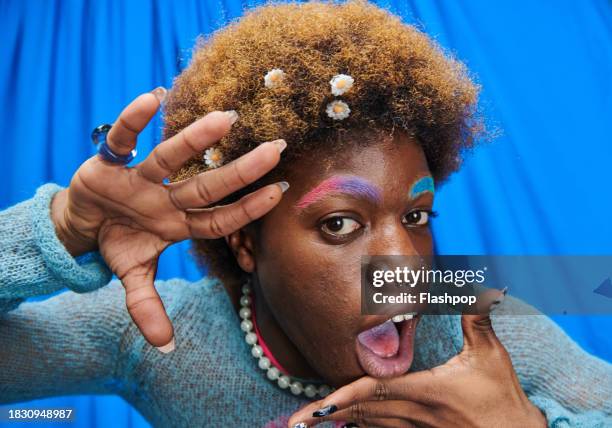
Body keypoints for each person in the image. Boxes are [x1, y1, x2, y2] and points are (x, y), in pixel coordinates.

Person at [1, 1, 610, 427]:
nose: (402, 266)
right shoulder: (162, 341)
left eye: (418, 217)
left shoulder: (473, 328)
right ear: (244, 240)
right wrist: (56, 230)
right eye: (340, 223)